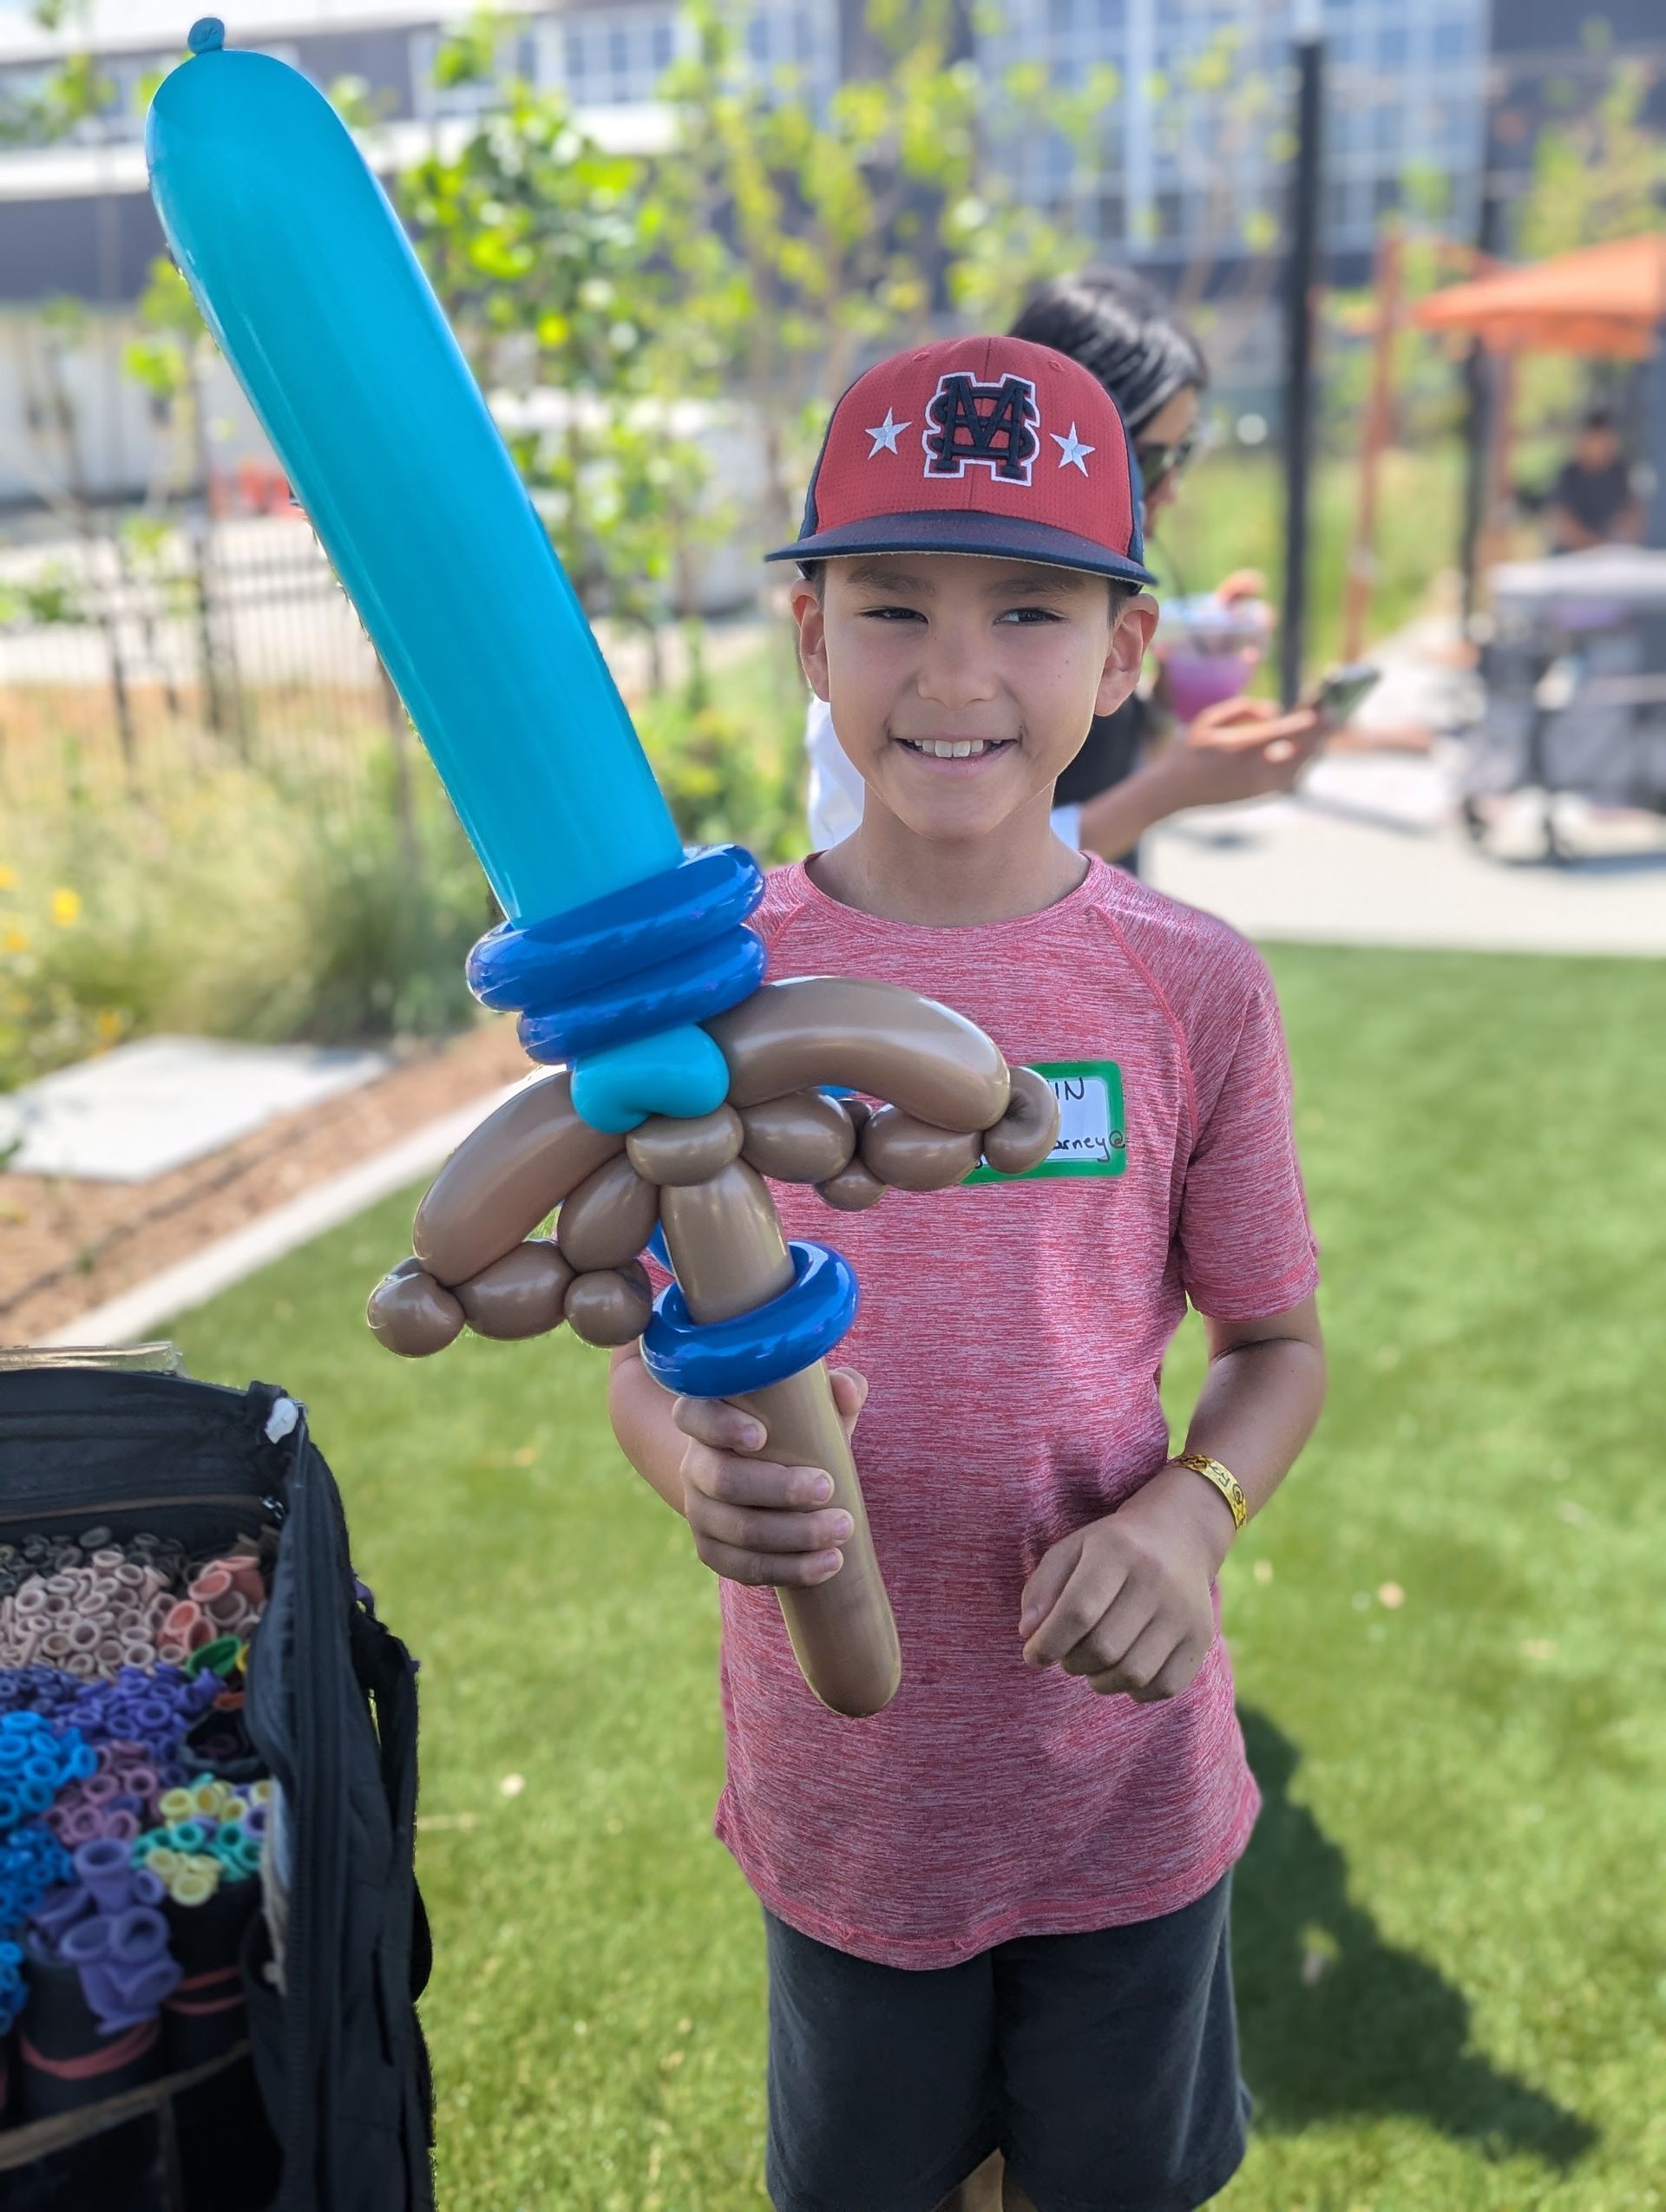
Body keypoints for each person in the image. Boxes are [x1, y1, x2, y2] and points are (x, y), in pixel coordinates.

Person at [609, 334, 1327, 2212]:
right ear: (808, 638)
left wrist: (1192, 1514)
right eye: (891, 604)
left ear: (1124, 655)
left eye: (1027, 609)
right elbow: (638, 1350)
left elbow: (1278, 1345)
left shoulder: (1189, 985)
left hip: (1125, 1784)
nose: (952, 671)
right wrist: (696, 1462)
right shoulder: (709, 986)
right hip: (852, 1795)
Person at [802, 268, 1324, 869]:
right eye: (1150, 463)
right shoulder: (870, 684)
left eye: (1028, 616)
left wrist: (1160, 702)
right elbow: (903, 871)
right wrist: (1168, 792)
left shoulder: (1099, 609)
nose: (1171, 490)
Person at [1545, 407, 1643, 553]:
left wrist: (1618, 538)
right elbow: (1560, 521)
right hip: (1571, 556)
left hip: (1611, 556)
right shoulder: (1569, 474)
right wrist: (1592, 544)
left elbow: (1632, 513)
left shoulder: (1619, 472)